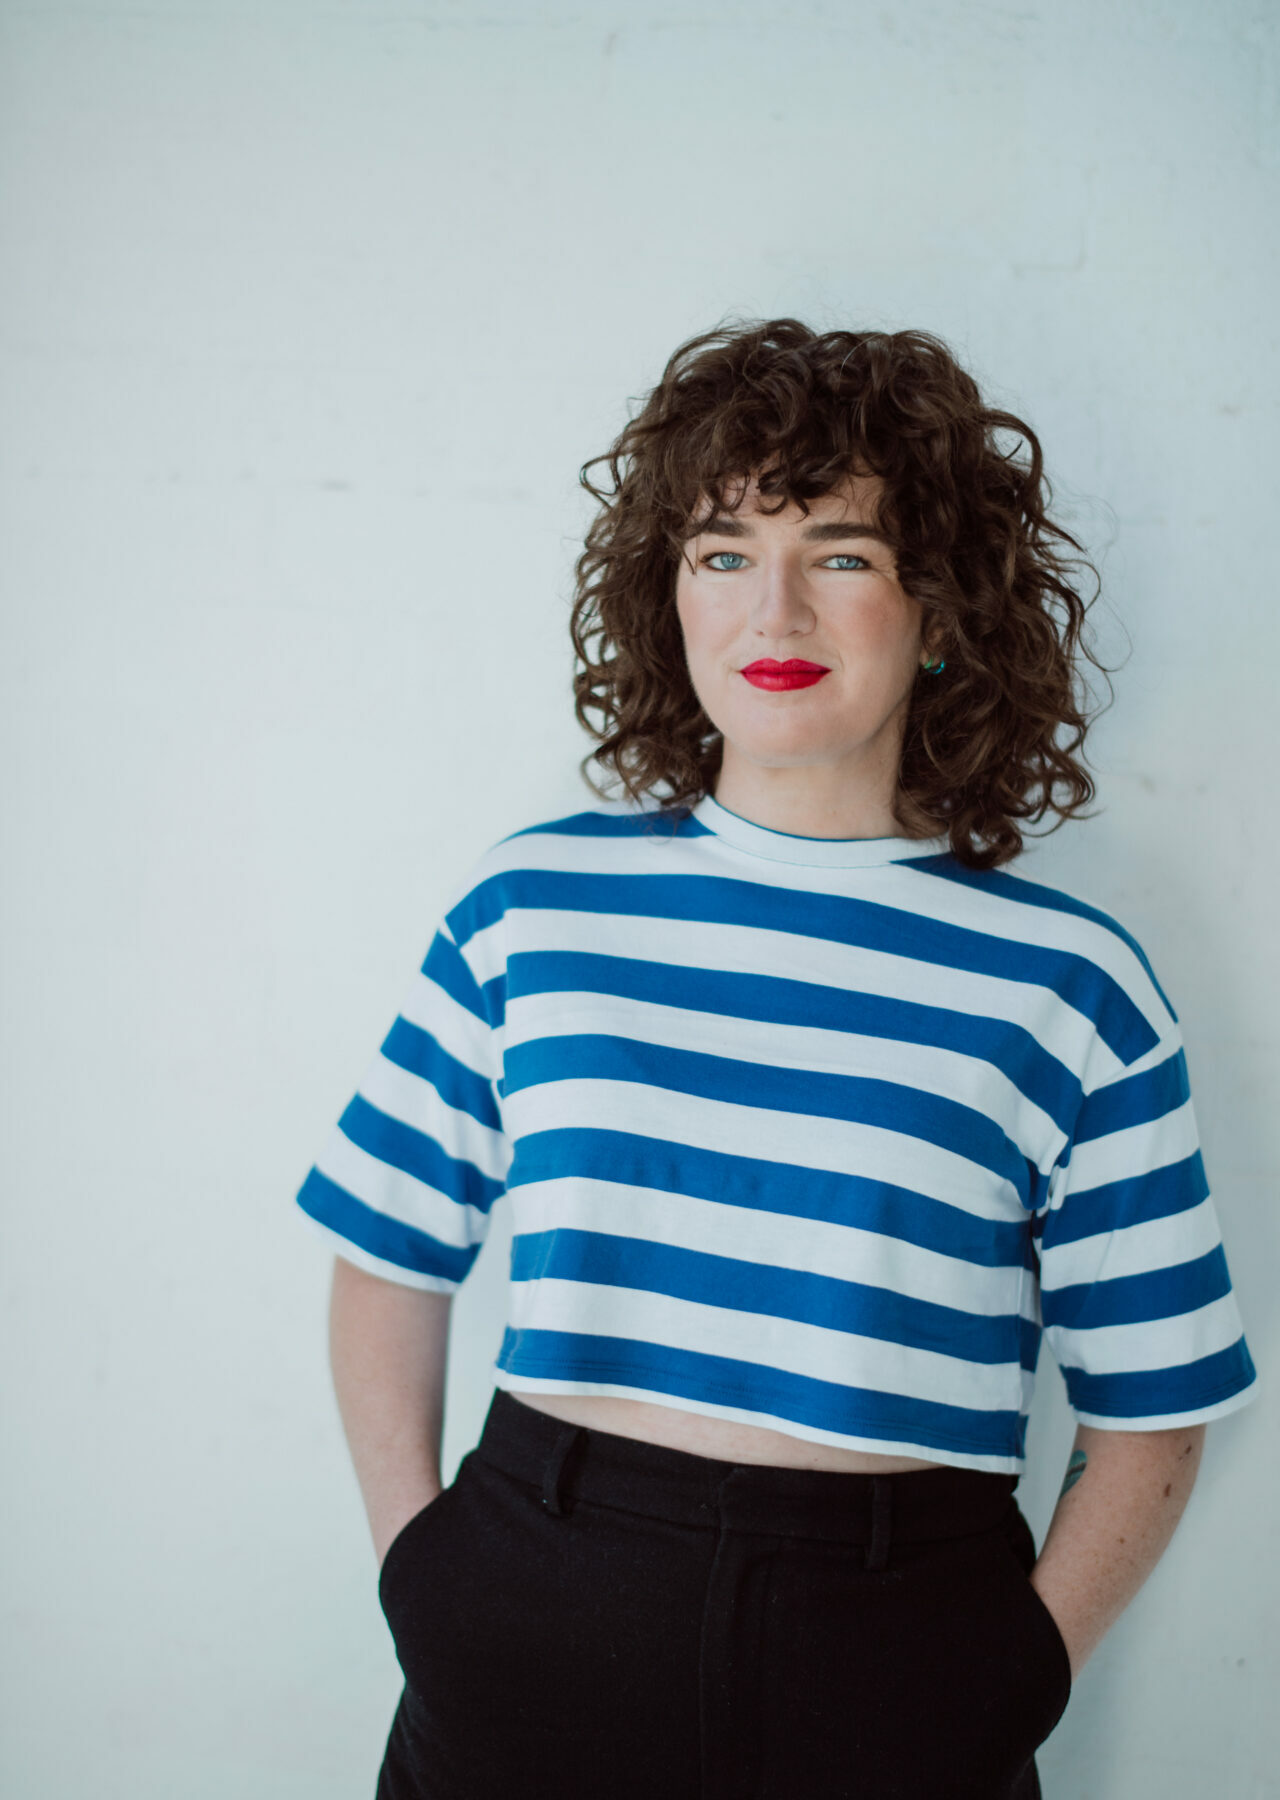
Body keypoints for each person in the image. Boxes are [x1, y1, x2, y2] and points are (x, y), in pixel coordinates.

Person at [294, 318, 1259, 1799]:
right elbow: (384, 1251)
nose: (775, 609)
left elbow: (1153, 1401)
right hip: (534, 1592)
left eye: (843, 553)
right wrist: (419, 1567)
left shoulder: (1073, 981)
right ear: (668, 596)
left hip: (900, 1645)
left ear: (942, 610)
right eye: (724, 551)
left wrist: (1020, 1672)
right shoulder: (530, 905)